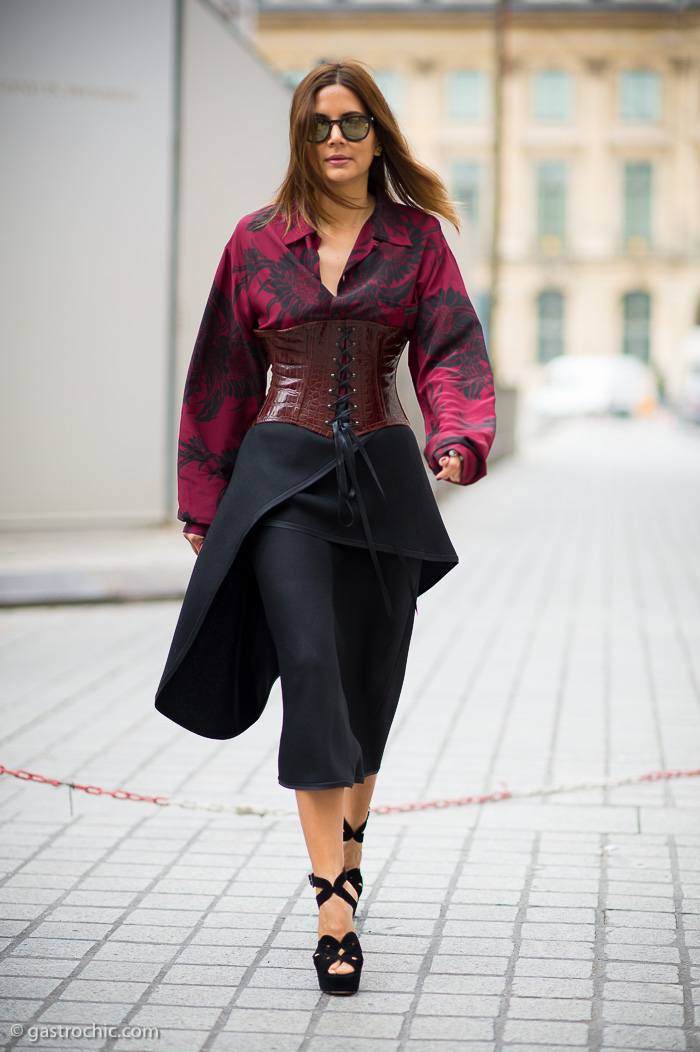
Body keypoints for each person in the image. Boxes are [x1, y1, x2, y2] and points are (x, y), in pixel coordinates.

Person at [155, 60, 496, 995]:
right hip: (279, 489)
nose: (335, 140)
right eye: (318, 126)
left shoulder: (417, 241)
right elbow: (221, 368)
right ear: (300, 139)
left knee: (364, 688)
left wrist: (462, 436)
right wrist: (202, 495)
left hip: (383, 486)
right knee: (310, 671)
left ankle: (348, 863)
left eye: (352, 124)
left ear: (378, 135)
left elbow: (452, 349)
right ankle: (332, 906)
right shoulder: (257, 242)